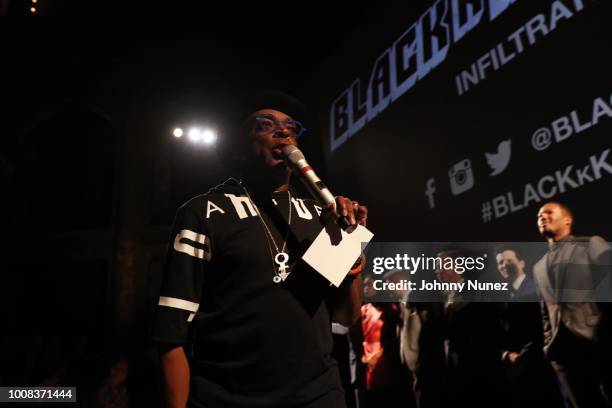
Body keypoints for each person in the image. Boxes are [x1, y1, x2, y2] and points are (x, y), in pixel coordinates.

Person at [151, 91, 367, 408]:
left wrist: (348, 247)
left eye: (291, 127)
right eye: (265, 125)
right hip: (229, 397)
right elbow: (171, 335)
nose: (283, 131)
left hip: (319, 396)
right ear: (240, 149)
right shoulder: (204, 212)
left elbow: (346, 316)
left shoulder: (321, 215)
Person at [533, 201, 611, 407]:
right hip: (561, 351)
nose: (542, 217)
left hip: (596, 341)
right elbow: (545, 311)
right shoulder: (538, 267)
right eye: (539, 215)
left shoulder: (590, 244)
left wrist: (603, 329)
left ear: (568, 220)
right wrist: (548, 344)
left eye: (549, 212)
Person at [494, 246, 563, 408]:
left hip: (537, 366)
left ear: (522, 263)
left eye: (508, 260)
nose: (504, 265)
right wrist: (505, 353)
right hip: (513, 371)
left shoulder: (535, 289)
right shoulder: (501, 296)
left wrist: (522, 356)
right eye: (500, 263)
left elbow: (542, 326)